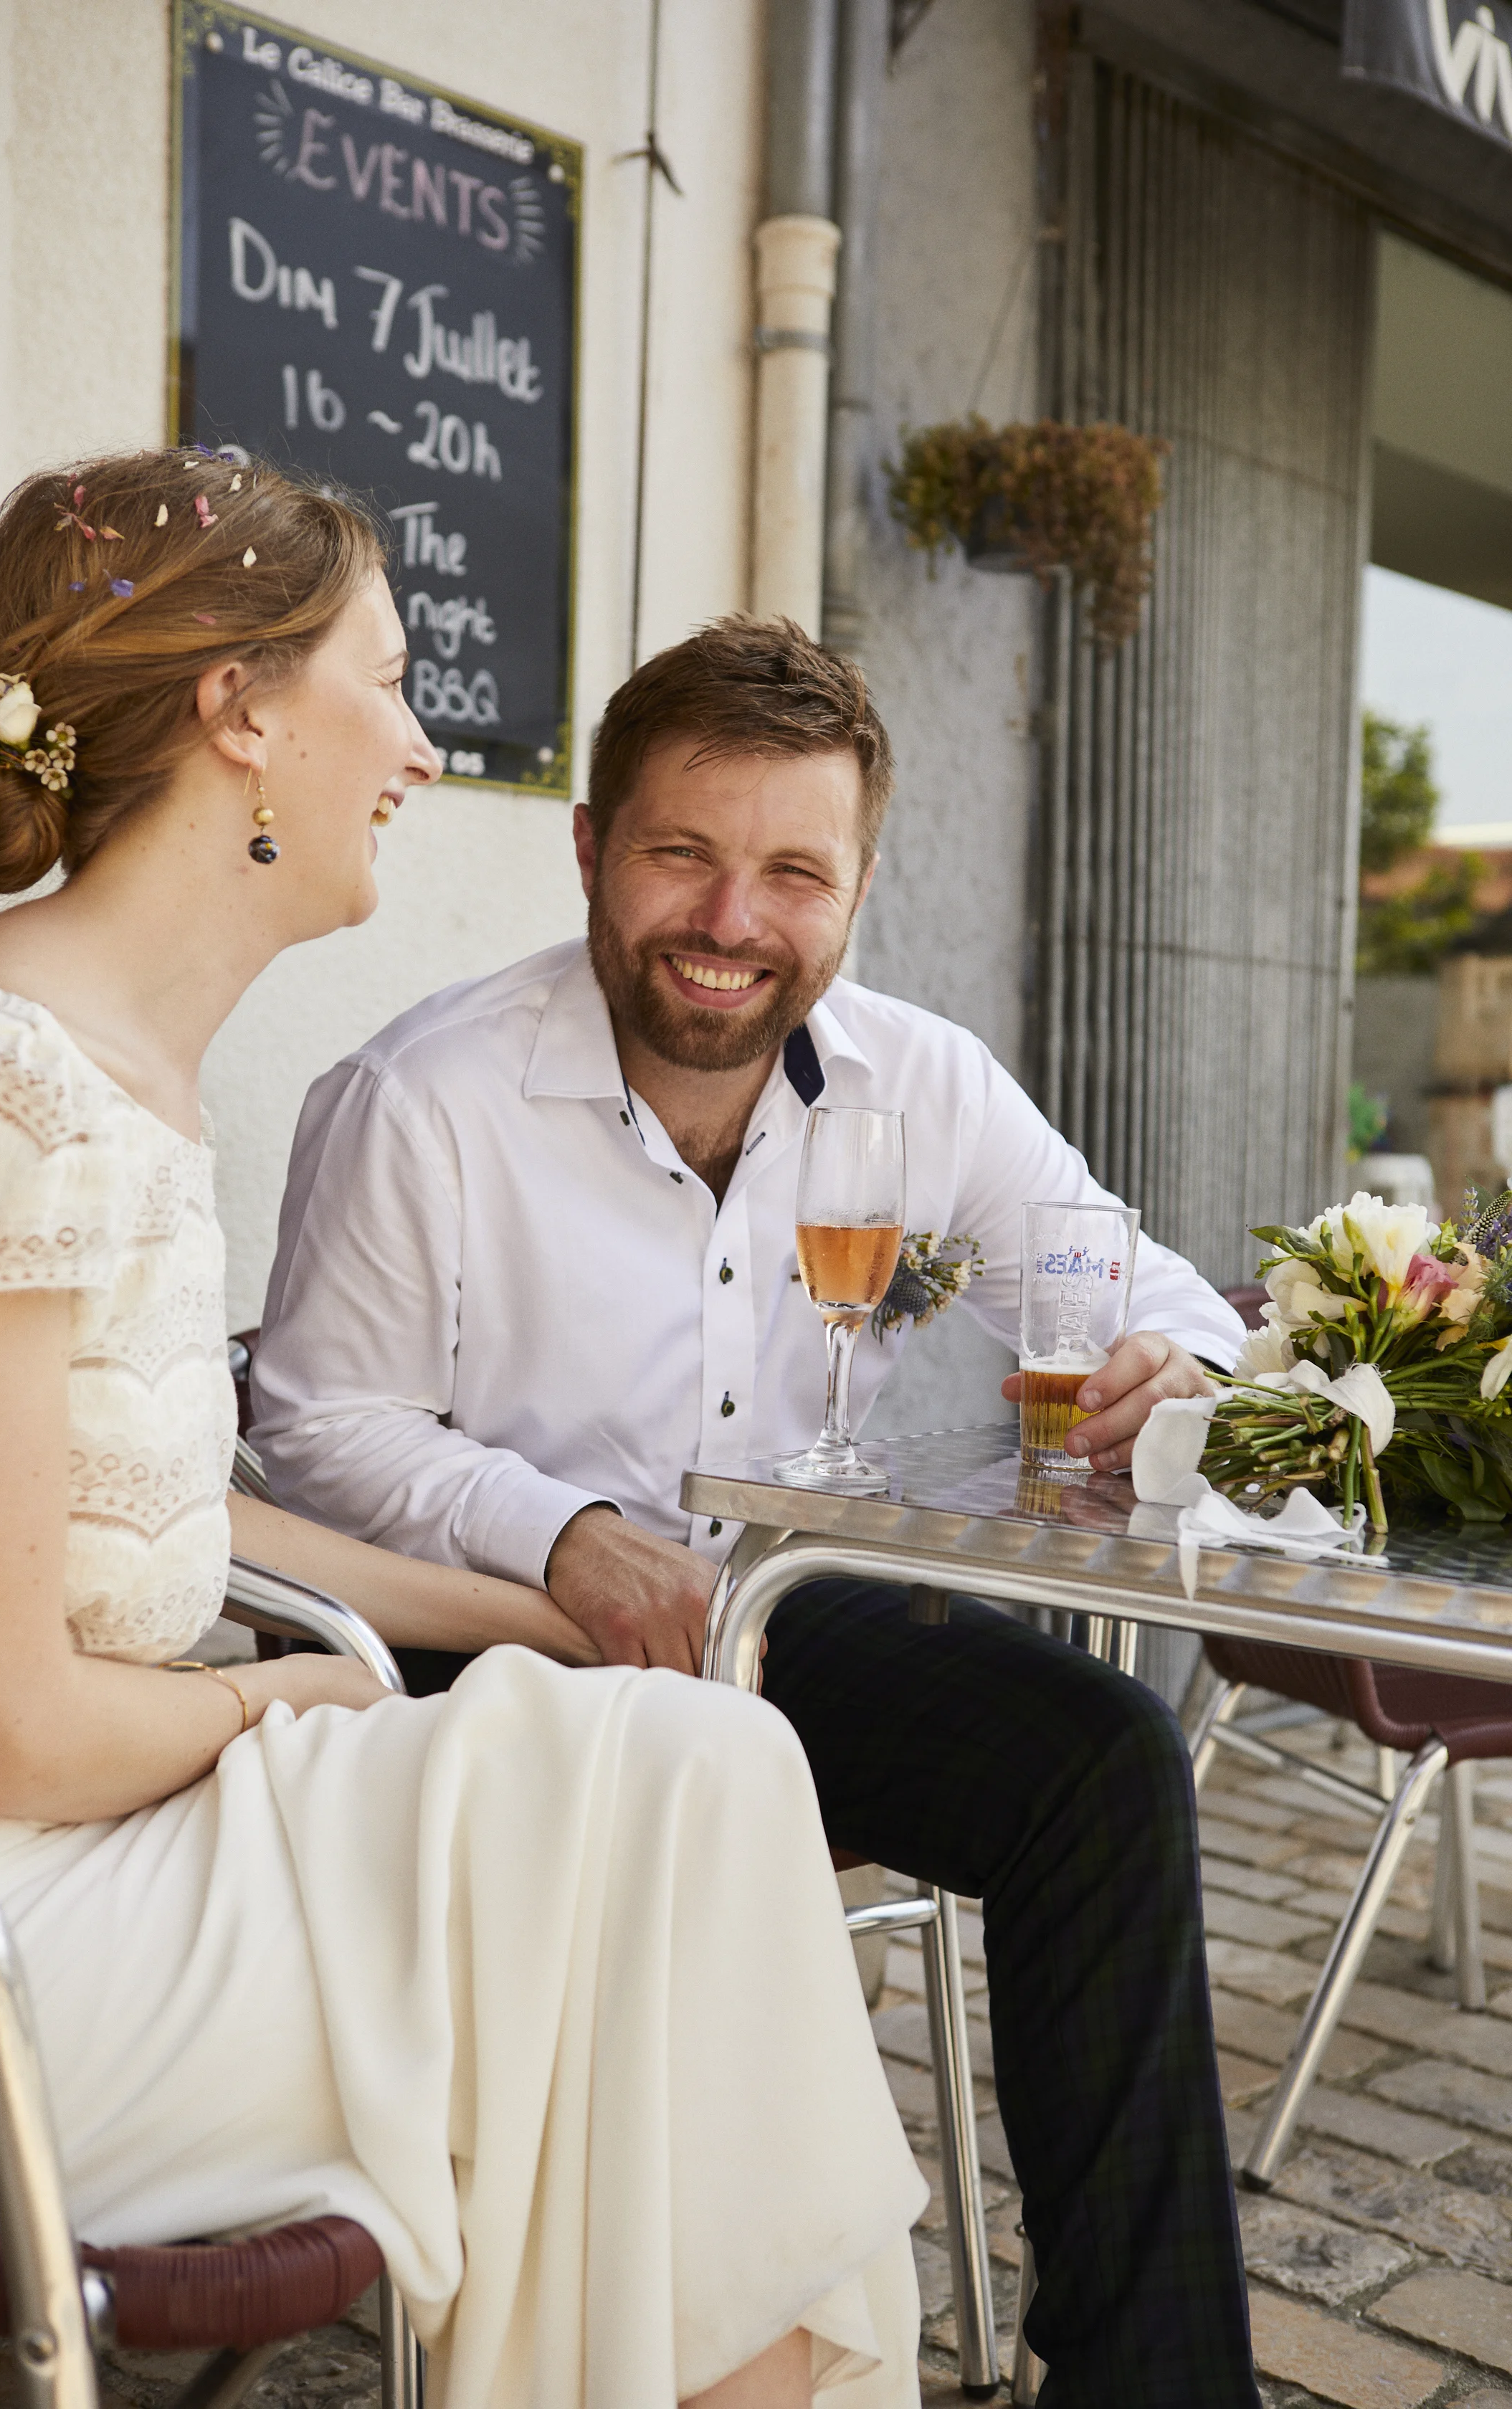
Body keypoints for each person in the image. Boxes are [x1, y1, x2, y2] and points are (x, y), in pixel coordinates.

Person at [0, 459, 930, 2409]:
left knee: (686, 1765)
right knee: (667, 1825)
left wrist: (536, 1616)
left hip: (104, 1872)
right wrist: (280, 1714)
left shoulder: (112, 1071)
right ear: (242, 713)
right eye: (387, 677)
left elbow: (169, 1512)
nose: (421, 745)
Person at [252, 616, 1263, 2409]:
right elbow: (315, 1430)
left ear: (857, 887)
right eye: (681, 854)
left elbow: (1130, 1275)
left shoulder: (917, 1078)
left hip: (766, 1630)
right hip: (486, 1674)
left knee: (1103, 1764)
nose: (732, 922)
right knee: (719, 1814)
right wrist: (550, 1527)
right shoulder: (423, 1099)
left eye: (793, 871)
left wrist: (1175, 1366)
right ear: (589, 848)